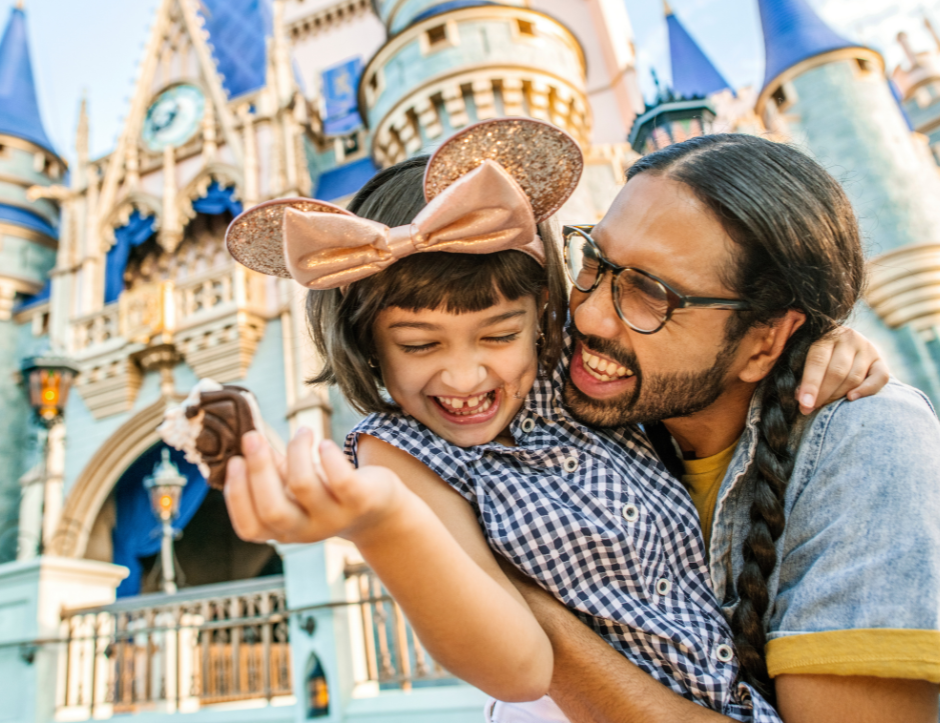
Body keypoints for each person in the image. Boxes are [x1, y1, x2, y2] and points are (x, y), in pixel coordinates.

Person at [223, 121, 892, 722]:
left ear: (543, 314)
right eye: (420, 345)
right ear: (367, 347)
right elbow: (520, 668)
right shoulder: (398, 454)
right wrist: (381, 521)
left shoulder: (580, 377)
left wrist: (824, 347)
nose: (463, 378)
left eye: (498, 335)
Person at [503, 133, 940, 723]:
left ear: (766, 341)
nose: (587, 312)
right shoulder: (577, 401)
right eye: (593, 260)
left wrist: (515, 604)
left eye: (652, 293)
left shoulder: (868, 441)